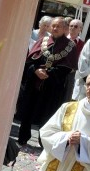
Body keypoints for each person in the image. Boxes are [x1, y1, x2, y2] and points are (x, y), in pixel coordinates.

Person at [15, 16, 79, 146]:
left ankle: (43, 142)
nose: (55, 28)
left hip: (53, 87)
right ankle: (23, 138)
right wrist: (35, 70)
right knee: (28, 111)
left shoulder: (70, 46)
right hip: (34, 83)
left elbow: (67, 68)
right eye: (53, 26)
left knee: (48, 115)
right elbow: (29, 61)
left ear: (65, 29)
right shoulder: (42, 41)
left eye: (58, 26)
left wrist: (48, 73)